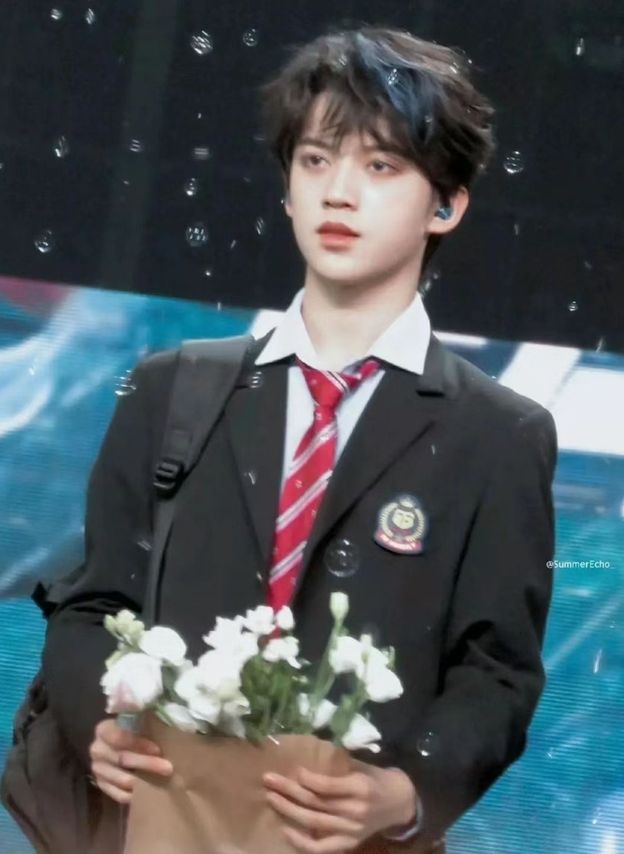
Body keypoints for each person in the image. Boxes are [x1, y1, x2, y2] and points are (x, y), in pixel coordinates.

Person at [41, 24, 558, 853]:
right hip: (165, 823)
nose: (338, 193)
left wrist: (405, 793)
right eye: (316, 160)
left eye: (380, 166)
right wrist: (99, 723)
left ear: (446, 204)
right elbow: (94, 605)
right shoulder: (173, 390)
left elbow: (497, 672)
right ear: (286, 188)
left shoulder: (500, 435)